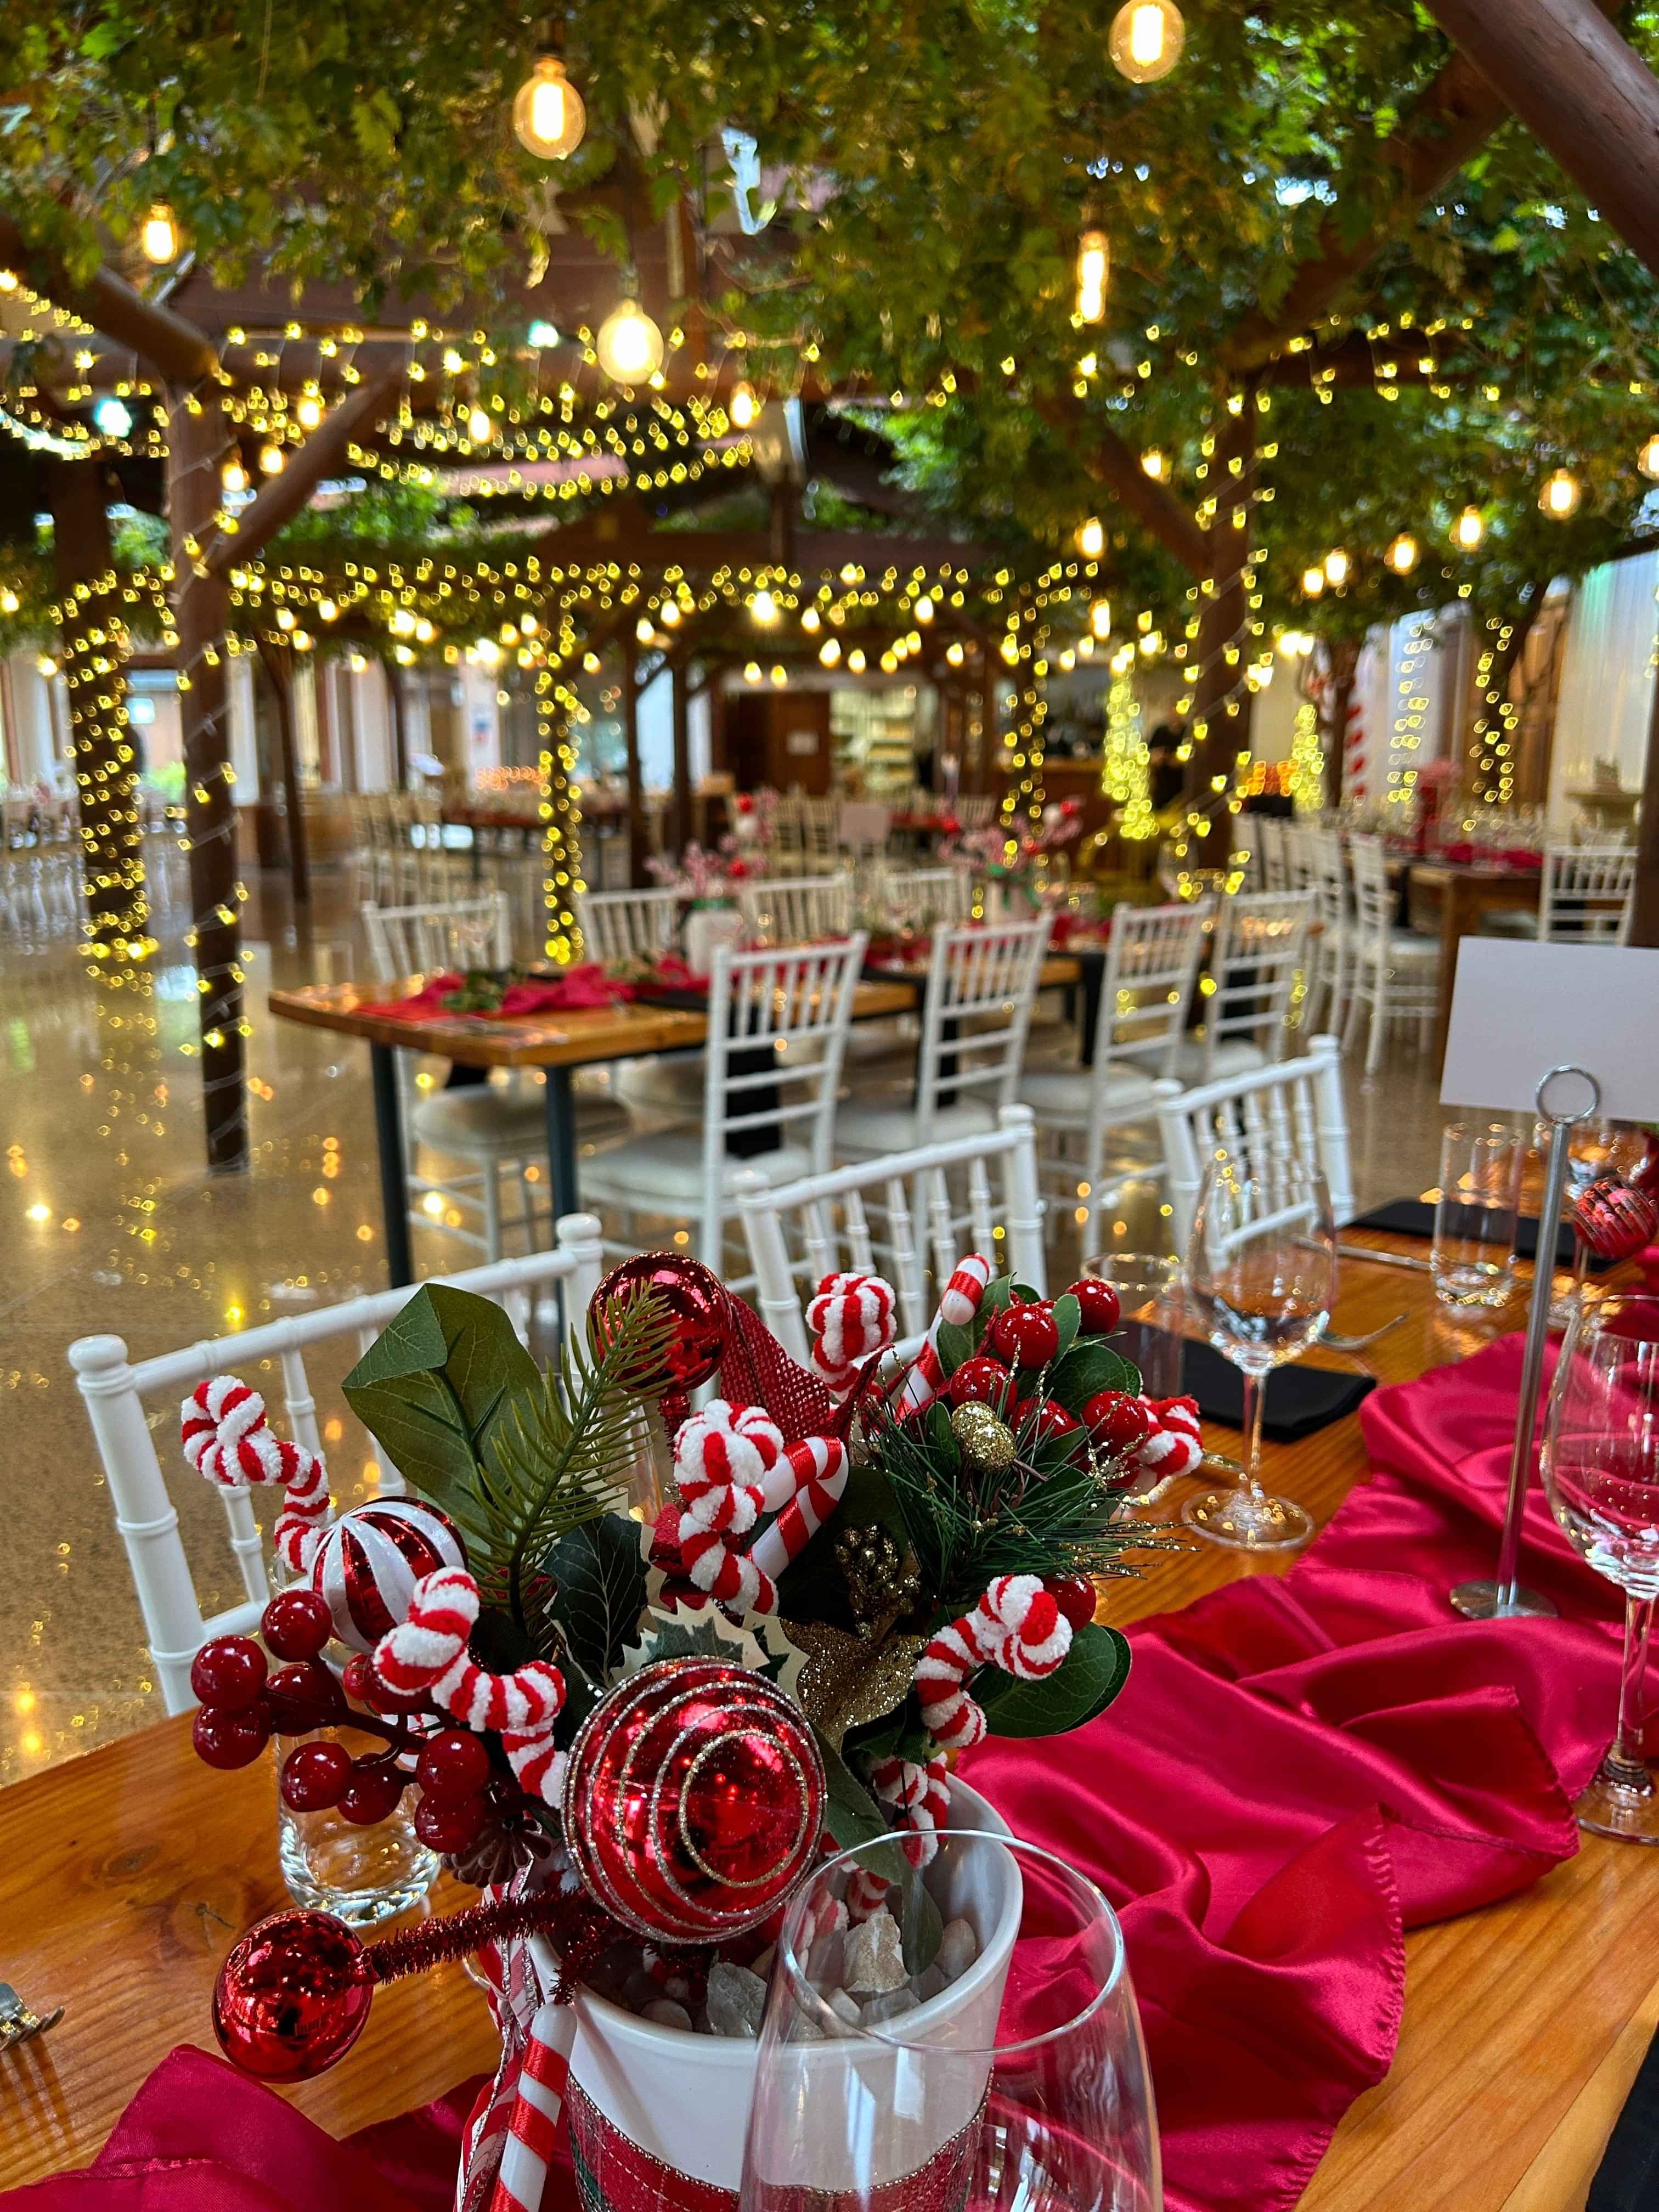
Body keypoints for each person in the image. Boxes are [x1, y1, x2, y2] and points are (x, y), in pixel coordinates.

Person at [1148, 724, 1185, 812]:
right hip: (1162, 789)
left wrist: (1178, 760)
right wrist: (1157, 756)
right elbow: (1150, 755)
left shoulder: (1187, 732)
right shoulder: (1160, 732)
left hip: (1181, 788)